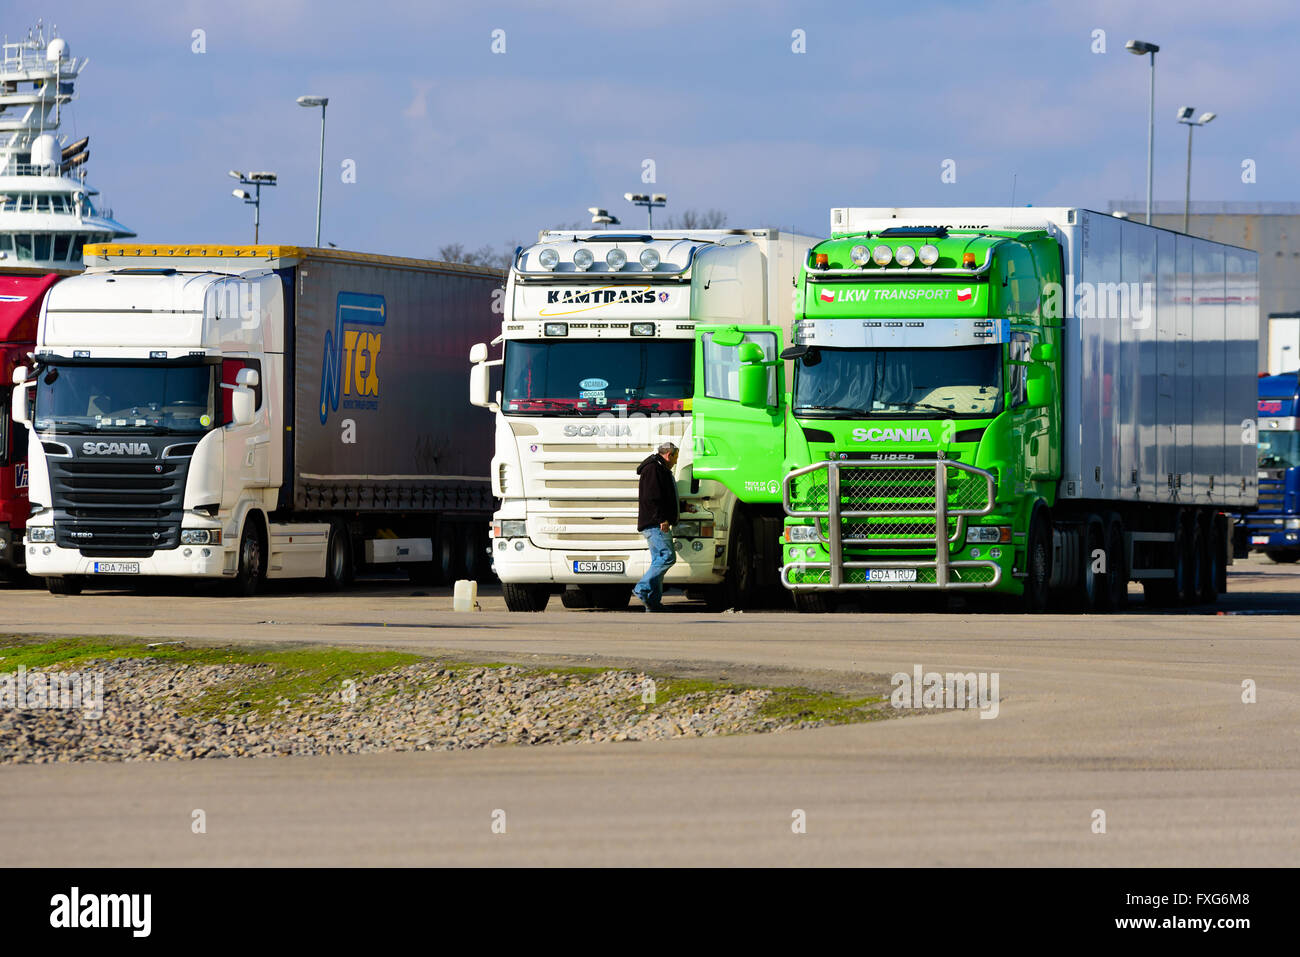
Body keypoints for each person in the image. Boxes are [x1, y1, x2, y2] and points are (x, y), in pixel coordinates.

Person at [633, 441, 680, 611]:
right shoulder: (654, 469)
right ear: (669, 454)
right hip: (656, 524)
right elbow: (653, 498)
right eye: (675, 457)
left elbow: (664, 496)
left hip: (654, 522)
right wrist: (662, 519)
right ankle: (642, 588)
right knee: (667, 557)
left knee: (658, 560)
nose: (675, 461)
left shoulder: (658, 468)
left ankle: (652, 603)